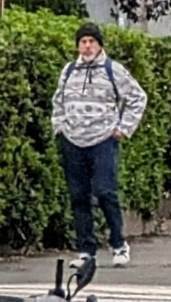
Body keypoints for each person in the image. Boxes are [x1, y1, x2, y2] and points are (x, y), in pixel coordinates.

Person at [52, 22, 148, 268]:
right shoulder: (69, 70)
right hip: (73, 140)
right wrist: (60, 126)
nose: (86, 46)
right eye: (82, 42)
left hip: (103, 139)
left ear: (99, 44)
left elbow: (138, 97)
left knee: (106, 192)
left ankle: (118, 244)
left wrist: (123, 129)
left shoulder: (112, 70)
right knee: (78, 196)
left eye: (91, 41)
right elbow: (58, 100)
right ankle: (86, 251)